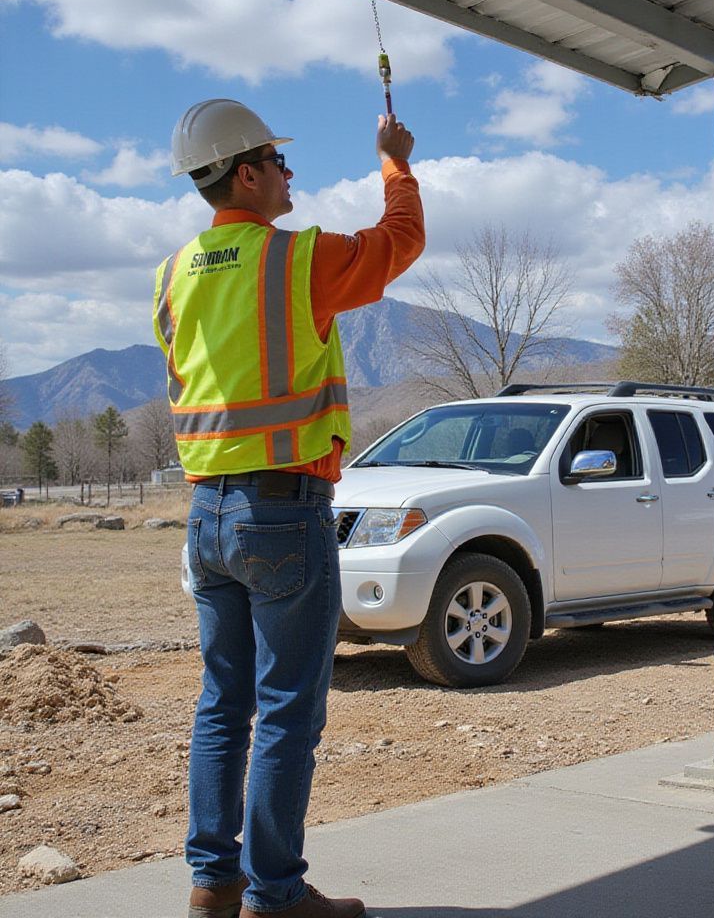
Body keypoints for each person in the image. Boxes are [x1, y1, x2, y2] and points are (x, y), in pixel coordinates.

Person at [154, 99, 424, 918]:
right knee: (286, 712)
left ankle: (213, 885)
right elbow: (400, 241)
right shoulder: (294, 261)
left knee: (221, 706)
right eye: (277, 160)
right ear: (246, 172)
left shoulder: (171, 275)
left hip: (205, 519)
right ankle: (276, 894)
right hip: (282, 511)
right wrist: (395, 160)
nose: (288, 172)